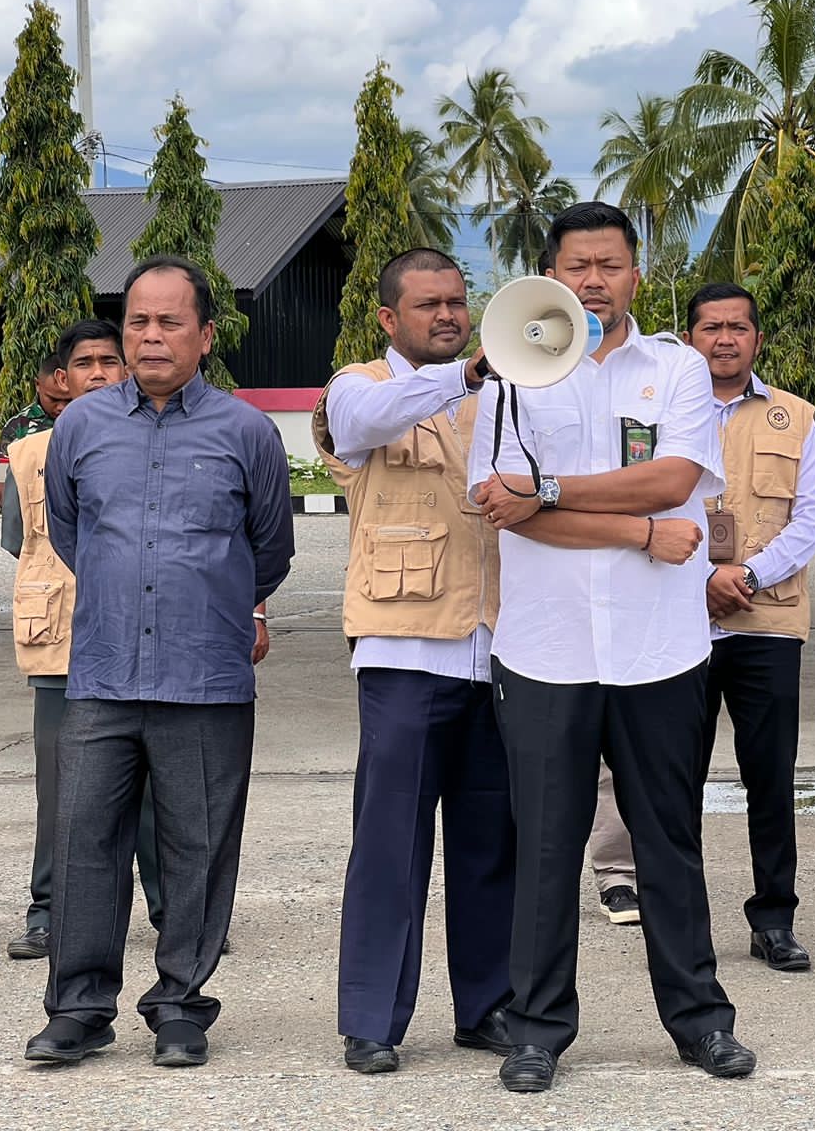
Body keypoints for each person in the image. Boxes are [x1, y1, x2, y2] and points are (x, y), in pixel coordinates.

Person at [470, 202, 754, 1093]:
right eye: (576, 266)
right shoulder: (510, 378)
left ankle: (701, 1022)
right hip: (543, 649)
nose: (593, 281)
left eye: (609, 265)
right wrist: (635, 531)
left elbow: (673, 480)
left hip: (657, 650)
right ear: (550, 275)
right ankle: (537, 1031)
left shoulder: (675, 368)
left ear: (637, 272)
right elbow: (503, 508)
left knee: (669, 841)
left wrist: (550, 490)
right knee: (546, 848)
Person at [23, 255, 293, 1069]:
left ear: (204, 336)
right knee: (83, 843)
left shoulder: (247, 433)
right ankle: (79, 1008)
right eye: (137, 321)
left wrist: (204, 599)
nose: (149, 336)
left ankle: (180, 1004)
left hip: (205, 676)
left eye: (170, 322)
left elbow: (269, 551)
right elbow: (72, 533)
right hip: (102, 672)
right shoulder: (81, 428)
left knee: (197, 850)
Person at [313, 248, 515, 1075]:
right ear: (389, 318)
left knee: (490, 843)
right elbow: (365, 425)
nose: (448, 315)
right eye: (428, 304)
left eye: (457, 301)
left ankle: (489, 1006)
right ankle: (371, 1020)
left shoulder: (504, 394)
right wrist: (464, 378)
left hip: (499, 650)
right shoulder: (357, 387)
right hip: (403, 651)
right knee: (389, 845)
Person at [1, 320, 260, 962]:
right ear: (60, 380)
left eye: (107, 362)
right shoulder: (31, 453)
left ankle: (174, 911)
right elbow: (27, 540)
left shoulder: (213, 433)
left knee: (159, 793)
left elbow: (253, 545)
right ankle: (49, 910)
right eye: (82, 363)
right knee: (67, 795)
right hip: (67, 638)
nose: (97, 373)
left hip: (168, 646)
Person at [678, 280, 815, 971]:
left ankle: (775, 920)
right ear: (690, 339)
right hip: (676, 625)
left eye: (737, 327)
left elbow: (813, 516)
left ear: (757, 339)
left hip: (766, 622)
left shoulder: (793, 417)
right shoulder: (659, 414)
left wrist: (745, 576)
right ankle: (682, 925)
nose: (725, 339)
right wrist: (700, 581)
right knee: (673, 780)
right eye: (711, 327)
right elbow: (641, 509)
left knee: (769, 778)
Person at [0, 357, 69, 508]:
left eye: (68, 400)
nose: (61, 407)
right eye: (53, 399)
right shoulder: (17, 428)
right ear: (38, 385)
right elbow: (3, 486)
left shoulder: (89, 421)